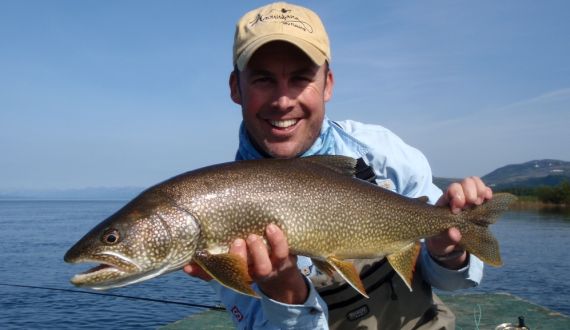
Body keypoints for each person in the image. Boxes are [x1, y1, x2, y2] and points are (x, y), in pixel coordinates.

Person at [184, 2, 492, 329]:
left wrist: (447, 252)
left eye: (301, 79)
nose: (283, 100)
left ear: (327, 85)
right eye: (263, 79)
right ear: (236, 88)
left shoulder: (383, 154)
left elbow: (452, 282)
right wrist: (285, 293)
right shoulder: (218, 204)